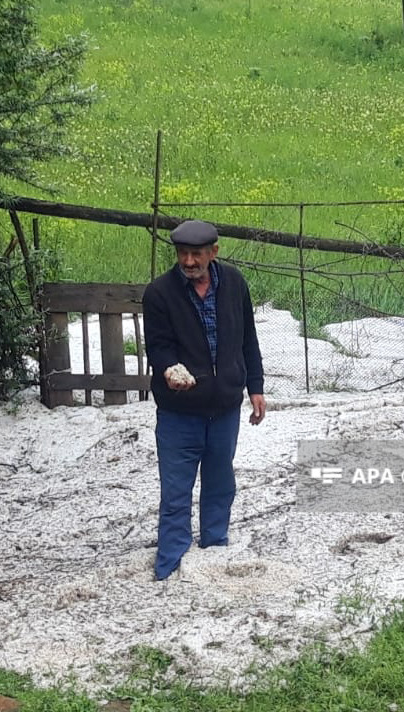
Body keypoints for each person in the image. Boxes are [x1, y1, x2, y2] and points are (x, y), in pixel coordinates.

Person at [142, 219, 266, 581]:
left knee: (220, 483)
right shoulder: (159, 293)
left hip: (224, 408)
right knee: (176, 491)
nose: (189, 261)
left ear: (214, 252)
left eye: (196, 254)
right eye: (183, 253)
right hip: (179, 413)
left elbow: (248, 339)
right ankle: (170, 564)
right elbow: (159, 346)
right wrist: (169, 369)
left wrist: (255, 386)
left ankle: (214, 550)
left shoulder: (234, 283)